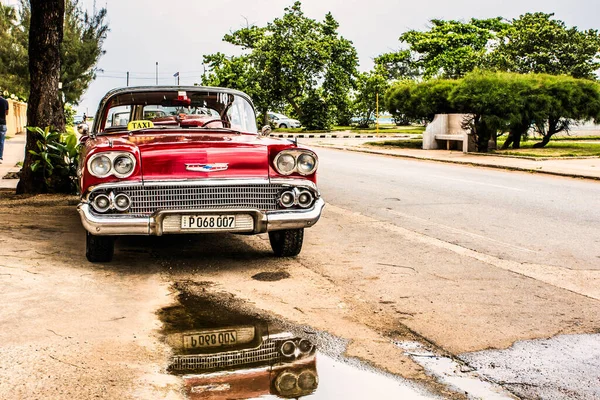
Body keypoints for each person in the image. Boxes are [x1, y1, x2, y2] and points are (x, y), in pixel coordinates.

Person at [0, 94, 9, 164]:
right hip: (2, 123)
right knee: (1, 141)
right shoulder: (5, 101)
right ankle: (0, 156)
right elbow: (7, 113)